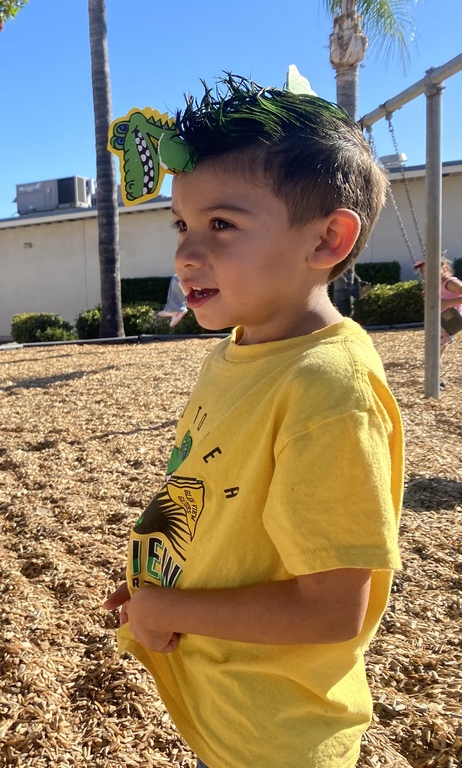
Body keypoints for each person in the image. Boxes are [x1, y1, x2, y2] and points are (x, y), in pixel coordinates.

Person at [103, 75, 403, 768]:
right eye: (182, 224)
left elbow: (332, 610)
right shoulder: (239, 350)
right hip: (229, 705)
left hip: (276, 735)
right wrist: (161, 586)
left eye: (222, 225)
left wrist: (168, 612)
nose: (185, 253)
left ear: (329, 238)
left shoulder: (328, 390)